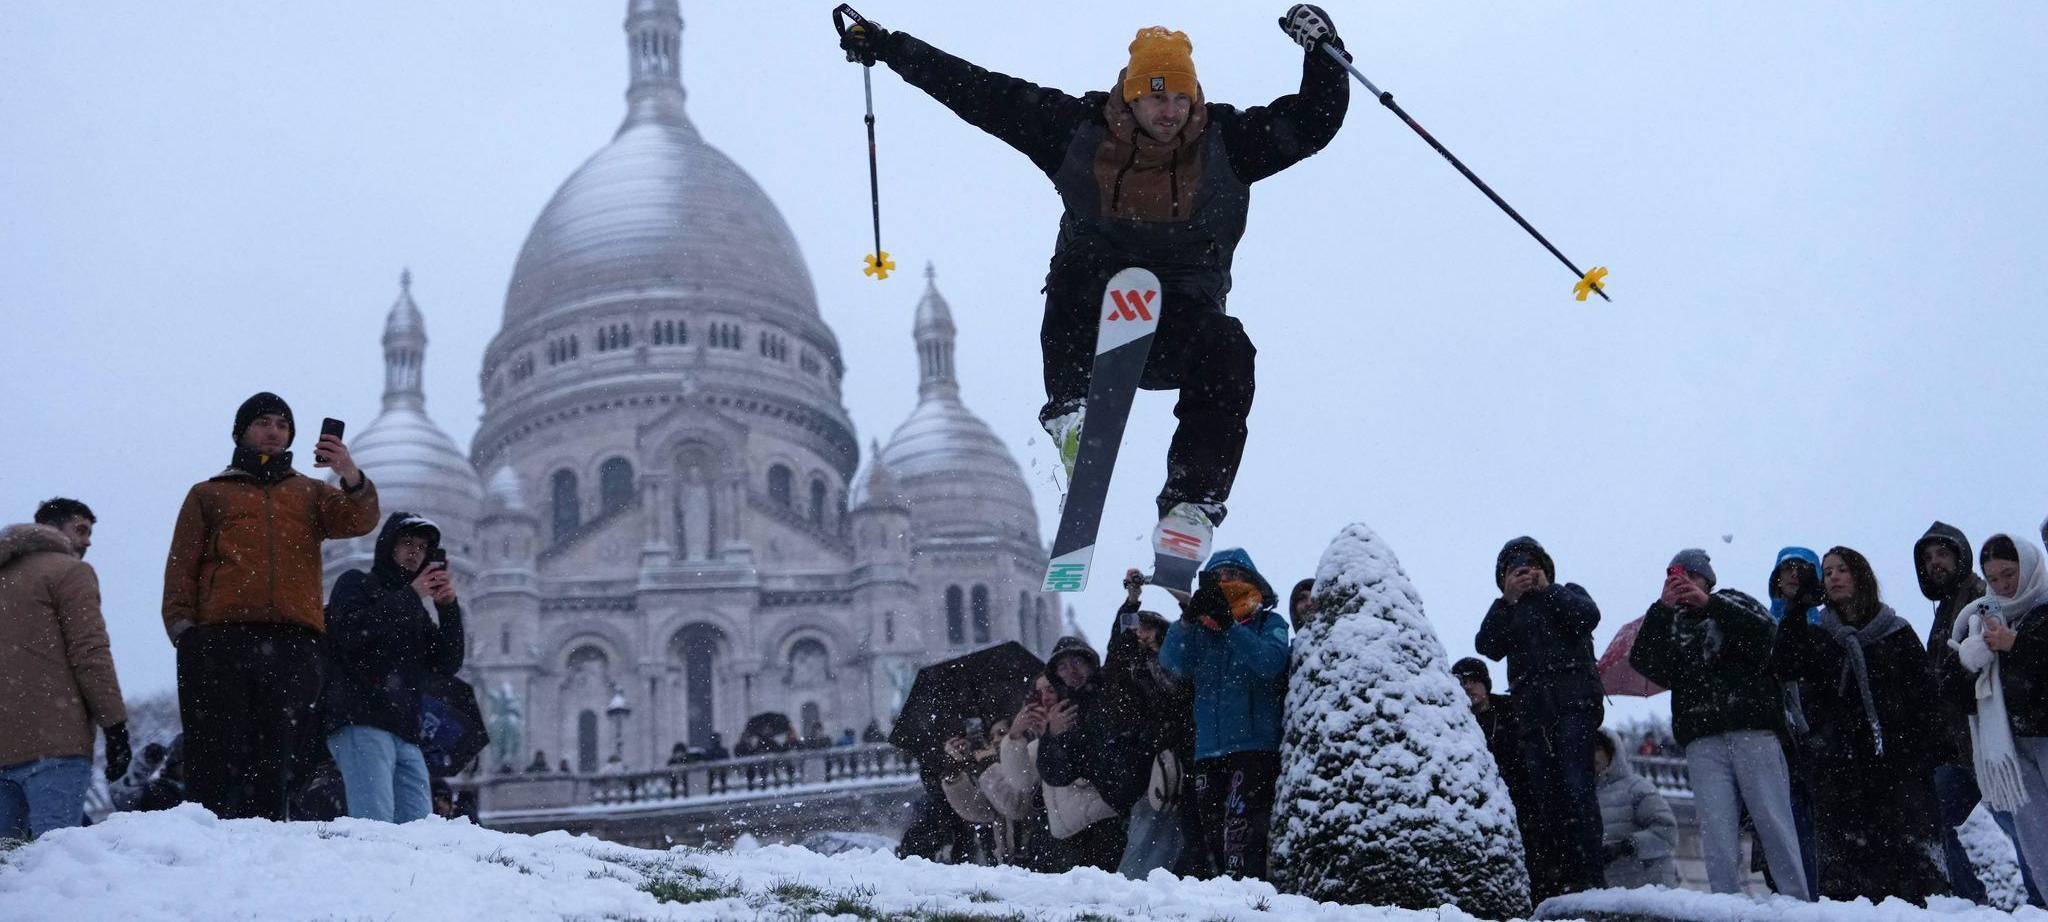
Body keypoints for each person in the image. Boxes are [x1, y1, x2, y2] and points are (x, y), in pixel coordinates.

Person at [837, 7, 1349, 533]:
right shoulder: (1075, 133)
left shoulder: (1230, 143)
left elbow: (1313, 121)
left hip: (1178, 332)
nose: (1169, 112)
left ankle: (1191, 502)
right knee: (1080, 263)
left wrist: (1324, 50)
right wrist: (890, 47)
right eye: (1156, 96)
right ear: (1130, 95)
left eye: (1180, 97)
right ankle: (1072, 415)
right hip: (1095, 325)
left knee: (1229, 346)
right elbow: (980, 92)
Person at [163, 392, 379, 820]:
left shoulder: (311, 493)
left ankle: (265, 843)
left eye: (282, 424)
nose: (274, 431)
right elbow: (181, 564)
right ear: (242, 431)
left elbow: (359, 520)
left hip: (292, 639)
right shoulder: (209, 494)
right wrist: (183, 631)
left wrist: (348, 472)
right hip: (221, 636)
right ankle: (208, 839)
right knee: (215, 748)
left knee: (279, 751)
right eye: (264, 422)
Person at [1768, 546, 1949, 904]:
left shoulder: (1895, 632)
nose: (1833, 576)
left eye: (1842, 569)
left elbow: (1925, 698)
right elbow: (1784, 663)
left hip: (1897, 765)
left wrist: (1929, 752)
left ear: (1860, 576)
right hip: (1842, 771)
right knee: (1848, 881)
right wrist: (1798, 607)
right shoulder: (1820, 635)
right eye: (1827, 571)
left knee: (1910, 877)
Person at [1629, 549, 1809, 900]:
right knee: (1717, 830)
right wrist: (1662, 609)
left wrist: (1710, 605)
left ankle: (1796, 903)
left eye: (1690, 576)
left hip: (1752, 729)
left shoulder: (1734, 602)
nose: (1682, 584)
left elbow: (1767, 640)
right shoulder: (1671, 624)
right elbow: (1645, 661)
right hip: (1702, 739)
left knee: (1773, 820)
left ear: (1707, 580)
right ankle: (1726, 904)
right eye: (1674, 577)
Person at [1474, 536, 1605, 902]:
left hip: (1572, 706)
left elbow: (1589, 616)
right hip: (1531, 717)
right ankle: (1559, 879)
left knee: (1578, 792)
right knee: (1546, 801)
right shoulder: (1507, 610)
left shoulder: (1566, 594)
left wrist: (1549, 591)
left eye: (1531, 566)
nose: (1525, 574)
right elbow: (1486, 645)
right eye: (1515, 570)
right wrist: (1507, 600)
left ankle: (1591, 878)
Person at [1917, 524, 2041, 905]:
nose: (1935, 563)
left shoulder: (1984, 600)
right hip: (1975, 745)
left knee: (2023, 826)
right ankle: (1971, 902)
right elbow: (1948, 684)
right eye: (1928, 558)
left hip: (2005, 738)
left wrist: (2011, 646)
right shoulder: (1960, 612)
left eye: (1942, 554)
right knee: (2023, 826)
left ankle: (2030, 903)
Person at [321, 513, 465, 824]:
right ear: (388, 546)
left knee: (419, 832)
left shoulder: (415, 610)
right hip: (361, 721)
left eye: (422, 547)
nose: (415, 551)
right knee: (375, 827)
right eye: (407, 543)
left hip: (405, 733)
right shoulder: (355, 583)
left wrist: (448, 609)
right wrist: (412, 595)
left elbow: (446, 663)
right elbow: (351, 633)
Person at [0, 499, 130, 840]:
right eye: (81, 529)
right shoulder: (69, 571)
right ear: (52, 528)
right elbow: (90, 653)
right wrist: (115, 726)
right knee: (56, 860)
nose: (88, 541)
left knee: (8, 876)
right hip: (55, 744)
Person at [1159, 549, 1289, 879]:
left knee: (1244, 837)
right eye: (1217, 577)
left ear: (1252, 581)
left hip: (1254, 749)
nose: (1225, 582)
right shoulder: (1201, 632)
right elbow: (1171, 662)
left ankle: (1253, 903)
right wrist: (1188, 619)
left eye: (1233, 574)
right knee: (1213, 838)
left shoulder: (1268, 623)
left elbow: (1270, 663)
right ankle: (1220, 905)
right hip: (1209, 751)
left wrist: (1230, 625)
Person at [1106, 570, 1193, 878]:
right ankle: (1137, 880)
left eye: (1149, 627)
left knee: (1180, 823)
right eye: (1138, 628)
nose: (1142, 633)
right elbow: (1119, 643)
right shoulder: (1129, 666)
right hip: (1142, 755)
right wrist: (1132, 601)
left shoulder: (1175, 661)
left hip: (1179, 749)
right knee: (1146, 820)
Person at [1038, 636, 1150, 871]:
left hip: (1144, 799)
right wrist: (1053, 735)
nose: (1072, 672)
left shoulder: (1113, 690)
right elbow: (1056, 773)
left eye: (1077, 662)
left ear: (1090, 663)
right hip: (1110, 815)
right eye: (1063, 667)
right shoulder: (1068, 713)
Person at [1765, 547, 1824, 892]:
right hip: (1776, 739)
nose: (1792, 575)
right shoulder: (1762, 624)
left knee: (1807, 825)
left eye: (1801, 569)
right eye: (1786, 568)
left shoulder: (1826, 625)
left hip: (1815, 739)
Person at [1451, 657, 1528, 840]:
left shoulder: (1512, 710)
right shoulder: (1453, 720)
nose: (1468, 687)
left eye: (1474, 681)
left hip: (1521, 791)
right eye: (1462, 683)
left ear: (1485, 684)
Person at [1593, 730, 1678, 889]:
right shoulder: (1583, 797)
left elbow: (1667, 832)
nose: (1591, 755)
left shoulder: (1637, 787)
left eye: (1597, 749)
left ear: (1612, 751)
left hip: (1649, 891)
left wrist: (1627, 846)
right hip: (1613, 895)